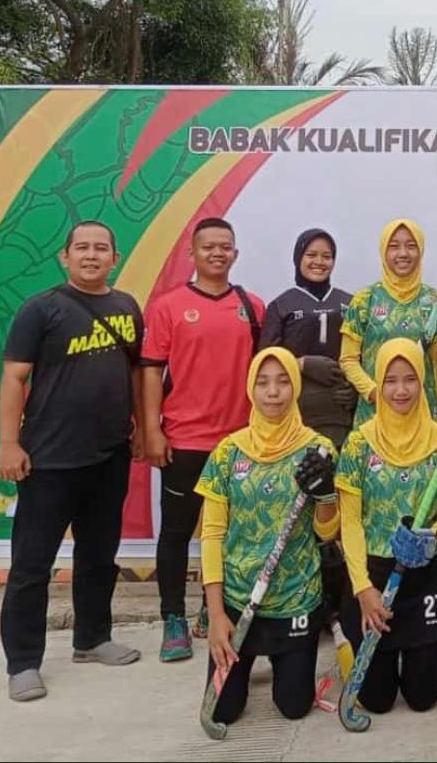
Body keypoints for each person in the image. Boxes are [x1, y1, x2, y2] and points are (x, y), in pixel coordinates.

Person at [0, 221, 144, 702]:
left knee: (99, 555)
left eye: (101, 248)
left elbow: (136, 374)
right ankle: (23, 663)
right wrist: (9, 444)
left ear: (115, 258)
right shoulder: (40, 309)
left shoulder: (127, 307)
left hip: (110, 455)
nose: (91, 255)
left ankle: (93, 638)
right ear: (65, 256)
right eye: (82, 247)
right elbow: (14, 378)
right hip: (49, 460)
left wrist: (143, 428)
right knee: (31, 565)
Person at [142, 217, 265, 662]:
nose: (217, 253)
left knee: (234, 534)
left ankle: (213, 612)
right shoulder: (168, 307)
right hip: (185, 440)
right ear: (191, 253)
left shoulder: (252, 306)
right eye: (208, 246)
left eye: (225, 246)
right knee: (177, 532)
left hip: (240, 443)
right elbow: (151, 371)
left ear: (236, 253)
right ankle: (173, 617)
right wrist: (152, 429)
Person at [196, 348, 340, 725]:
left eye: (282, 382)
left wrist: (326, 496)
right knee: (223, 711)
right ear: (250, 388)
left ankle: (285, 663)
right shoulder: (228, 452)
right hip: (238, 600)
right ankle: (244, 665)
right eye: (262, 383)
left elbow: (327, 531)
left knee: (294, 708)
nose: (273, 392)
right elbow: (211, 535)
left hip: (295, 598)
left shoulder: (319, 449)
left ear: (296, 388)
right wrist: (215, 614)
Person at [337, 339, 437, 713]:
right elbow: (351, 523)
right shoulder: (358, 443)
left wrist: (433, 536)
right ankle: (345, 645)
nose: (401, 390)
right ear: (378, 382)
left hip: (427, 574)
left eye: (410, 379)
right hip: (374, 578)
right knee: (377, 701)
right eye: (390, 380)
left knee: (422, 698)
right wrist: (363, 590)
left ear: (423, 381)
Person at [341, 219, 437, 427]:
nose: (403, 253)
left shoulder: (434, 301)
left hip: (423, 414)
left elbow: (436, 364)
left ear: (421, 250)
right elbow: (348, 359)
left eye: (411, 246)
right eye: (394, 246)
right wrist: (374, 393)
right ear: (383, 251)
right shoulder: (365, 300)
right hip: (374, 413)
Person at [260, 228, 357, 449]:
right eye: (311, 255)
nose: (319, 262)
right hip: (295, 412)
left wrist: (357, 390)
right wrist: (301, 364)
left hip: (338, 414)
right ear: (298, 258)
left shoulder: (351, 303)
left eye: (326, 256)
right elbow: (265, 360)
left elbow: (363, 355)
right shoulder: (281, 305)